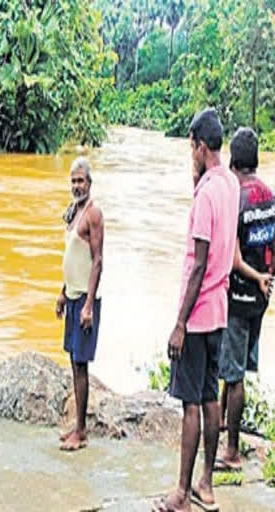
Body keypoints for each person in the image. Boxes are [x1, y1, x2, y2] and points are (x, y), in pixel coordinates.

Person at [155, 109, 239, 512]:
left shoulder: (207, 194)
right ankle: (207, 484)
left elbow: (200, 263)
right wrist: (196, 180)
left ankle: (182, 495)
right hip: (220, 310)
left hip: (200, 311)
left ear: (200, 146)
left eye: (191, 146)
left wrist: (179, 324)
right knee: (209, 396)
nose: (189, 152)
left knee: (191, 402)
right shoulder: (228, 184)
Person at [216, 128, 274, 472]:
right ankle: (222, 425)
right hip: (261, 298)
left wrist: (255, 278)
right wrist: (266, 280)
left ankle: (232, 451)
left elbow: (233, 259)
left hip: (238, 295)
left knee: (233, 374)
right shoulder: (269, 196)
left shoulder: (235, 198)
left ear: (233, 161)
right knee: (235, 368)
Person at [56, 157, 104, 452]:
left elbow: (98, 261)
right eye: (73, 181)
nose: (76, 186)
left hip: (85, 300)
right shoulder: (74, 212)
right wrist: (63, 292)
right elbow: (73, 259)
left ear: (89, 183)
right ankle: (77, 427)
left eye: (81, 181)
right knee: (74, 361)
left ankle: (82, 431)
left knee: (81, 364)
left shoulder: (93, 213)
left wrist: (88, 306)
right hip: (72, 296)